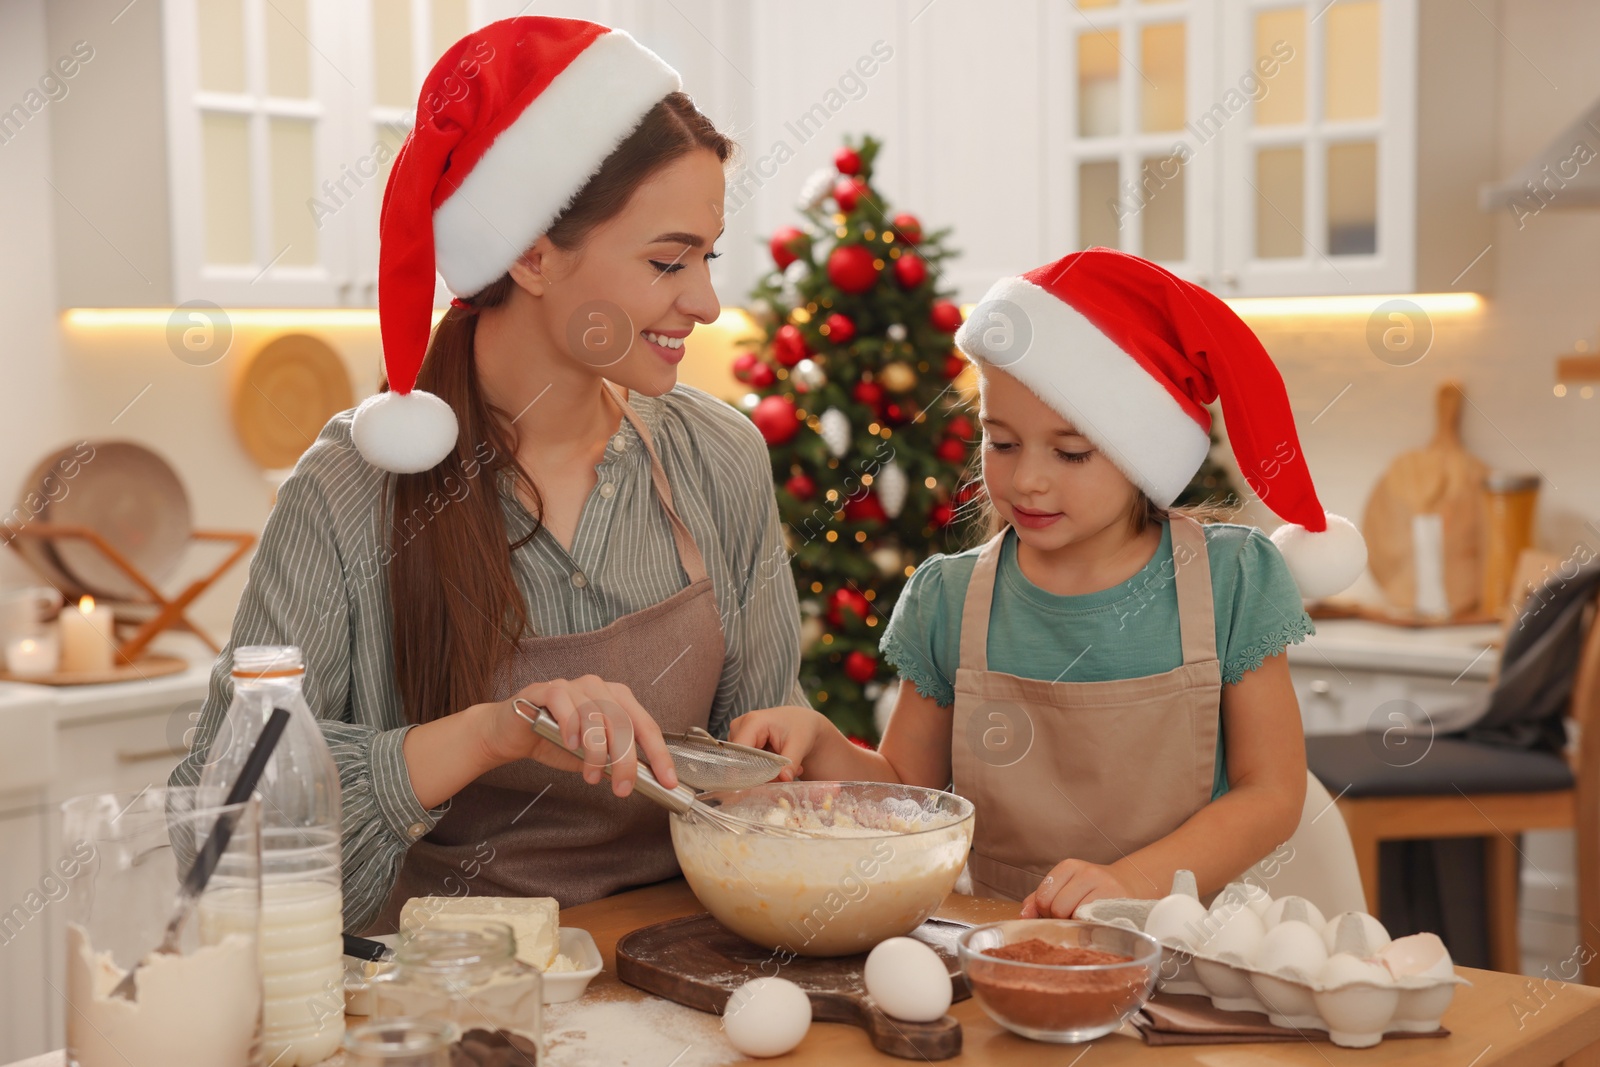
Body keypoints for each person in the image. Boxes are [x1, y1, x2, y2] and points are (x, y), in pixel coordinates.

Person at [172, 16, 809, 933]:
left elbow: (762, 774)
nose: (705, 302)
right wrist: (492, 732)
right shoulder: (351, 493)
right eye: (668, 260)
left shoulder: (719, 458)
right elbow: (216, 823)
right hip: (447, 997)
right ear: (532, 252)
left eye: (706, 256)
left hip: (690, 970)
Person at [732, 248, 1368, 918]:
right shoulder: (948, 599)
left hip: (1195, 953)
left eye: (1069, 453)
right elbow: (904, 797)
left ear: (1140, 455)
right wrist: (822, 740)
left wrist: (1133, 881)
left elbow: (1270, 794)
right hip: (1011, 950)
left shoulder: (1230, 580)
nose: (1027, 478)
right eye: (1001, 442)